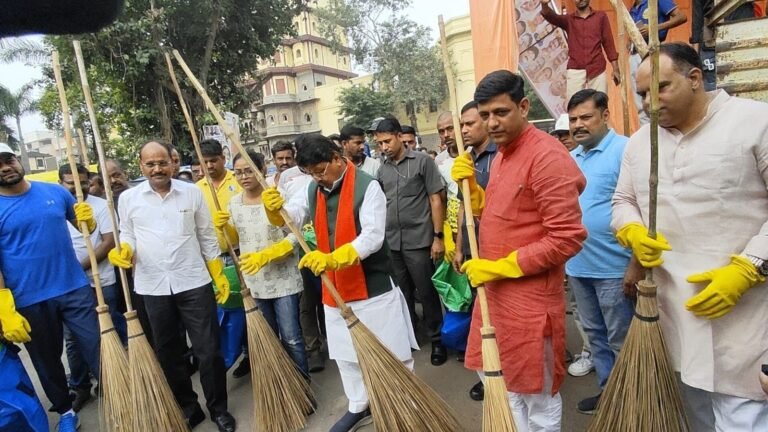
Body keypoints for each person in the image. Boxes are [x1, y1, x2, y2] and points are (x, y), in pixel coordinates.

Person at [612, 42, 768, 431]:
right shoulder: (640, 142)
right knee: (690, 414)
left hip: (743, 316)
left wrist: (749, 268)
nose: (649, 103)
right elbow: (623, 200)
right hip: (670, 314)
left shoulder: (755, 123)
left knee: (741, 419)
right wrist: (631, 230)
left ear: (695, 78)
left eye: (661, 88)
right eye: (643, 93)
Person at [452, 70, 587, 430]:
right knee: (500, 384)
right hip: (495, 298)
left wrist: (500, 267)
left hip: (529, 304)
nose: (491, 123)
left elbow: (567, 238)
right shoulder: (501, 155)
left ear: (524, 106)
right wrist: (474, 193)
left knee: (537, 397)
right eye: (484, 116)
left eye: (500, 112)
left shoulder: (547, 157)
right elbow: (505, 213)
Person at [261, 133, 418, 432]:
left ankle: (406, 402)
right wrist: (274, 208)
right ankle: (359, 404)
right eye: (311, 173)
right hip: (334, 289)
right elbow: (291, 217)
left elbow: (373, 236)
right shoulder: (312, 188)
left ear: (336, 157)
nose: (317, 178)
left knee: (393, 351)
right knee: (346, 356)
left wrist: (334, 258)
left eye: (320, 171)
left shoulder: (367, 186)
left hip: (372, 287)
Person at [109, 140, 235, 432]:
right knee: (168, 353)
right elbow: (127, 233)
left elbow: (206, 236)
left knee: (208, 351)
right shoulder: (128, 199)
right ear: (141, 166)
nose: (157, 168)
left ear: (172, 163)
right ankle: (189, 407)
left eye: (162, 162)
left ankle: (219, 409)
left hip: (193, 281)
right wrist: (124, 250)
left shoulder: (192, 193)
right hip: (151, 286)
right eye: (150, 164)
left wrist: (216, 271)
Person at [0, 142, 101, 431]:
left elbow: (86, 229)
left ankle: (119, 394)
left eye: (8, 160)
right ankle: (66, 411)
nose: (5, 167)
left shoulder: (55, 193)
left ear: (18, 160)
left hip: (74, 287)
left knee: (97, 346)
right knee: (46, 361)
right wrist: (4, 305)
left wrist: (88, 221)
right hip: (29, 299)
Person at [564, 89, 634, 414]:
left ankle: (632, 401)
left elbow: (640, 208)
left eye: (585, 117)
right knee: (595, 337)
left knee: (623, 341)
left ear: (605, 115)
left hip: (615, 269)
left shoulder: (625, 150)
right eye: (574, 119)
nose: (578, 125)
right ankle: (609, 396)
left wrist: (637, 265)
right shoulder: (572, 157)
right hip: (579, 267)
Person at [214, 150, 308, 375]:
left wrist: (272, 253)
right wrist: (223, 228)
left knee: (291, 336)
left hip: (284, 277)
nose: (244, 177)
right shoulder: (234, 203)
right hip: (254, 280)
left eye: (249, 171)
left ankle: (303, 384)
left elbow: (296, 233)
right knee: (268, 338)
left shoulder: (278, 196)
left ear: (263, 170)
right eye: (238, 173)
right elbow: (234, 240)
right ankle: (283, 386)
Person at [375, 117, 448, 365]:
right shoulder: (382, 169)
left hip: (419, 240)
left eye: (387, 141)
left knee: (426, 293)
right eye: (379, 143)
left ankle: (437, 339)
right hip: (392, 242)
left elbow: (436, 200)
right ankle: (408, 337)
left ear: (398, 136)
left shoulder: (423, 162)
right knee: (401, 294)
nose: (383, 147)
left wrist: (437, 238)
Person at [59, 163, 127, 411]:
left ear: (90, 181)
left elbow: (109, 242)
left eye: (83, 182)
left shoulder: (101, 206)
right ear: (61, 184)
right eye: (71, 183)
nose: (78, 188)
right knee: (73, 340)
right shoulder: (58, 208)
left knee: (106, 331)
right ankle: (80, 386)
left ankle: (113, 379)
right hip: (69, 284)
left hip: (101, 279)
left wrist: (82, 267)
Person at [454, 100, 500, 402]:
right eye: (462, 125)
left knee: (502, 313)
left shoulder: (501, 157)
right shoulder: (466, 159)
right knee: (480, 312)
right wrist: (459, 246)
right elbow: (463, 206)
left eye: (470, 123)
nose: (464, 130)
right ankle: (488, 375)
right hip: (474, 249)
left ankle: (507, 371)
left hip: (500, 252)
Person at [540, 0, 620, 98]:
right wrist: (544, 4)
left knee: (600, 106)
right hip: (575, 70)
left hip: (597, 69)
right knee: (574, 108)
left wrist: (615, 68)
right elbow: (551, 16)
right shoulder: (569, 20)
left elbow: (608, 42)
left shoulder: (601, 17)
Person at [628, 0, 687, 124]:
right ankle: (646, 136)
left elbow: (681, 17)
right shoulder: (632, 9)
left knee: (659, 95)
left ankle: (664, 132)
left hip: (652, 49)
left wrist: (653, 28)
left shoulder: (657, 1)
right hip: (634, 54)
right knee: (640, 102)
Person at [197, 139, 241, 265]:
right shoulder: (196, 189)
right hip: (213, 257)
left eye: (213, 160)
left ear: (223, 158)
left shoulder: (239, 181)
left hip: (241, 252)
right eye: (205, 162)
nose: (209, 165)